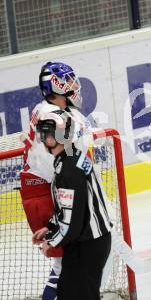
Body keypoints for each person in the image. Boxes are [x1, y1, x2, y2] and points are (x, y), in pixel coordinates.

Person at [19, 61, 91, 299]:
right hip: (44, 194)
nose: (74, 85)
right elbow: (60, 169)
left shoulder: (48, 110)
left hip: (41, 192)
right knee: (66, 268)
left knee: (69, 266)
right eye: (68, 81)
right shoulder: (52, 117)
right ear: (57, 85)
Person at [32, 109, 112, 300]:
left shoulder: (67, 171)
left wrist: (50, 242)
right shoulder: (74, 156)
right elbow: (75, 207)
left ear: (52, 138)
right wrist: (50, 227)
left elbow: (71, 225)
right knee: (68, 291)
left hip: (86, 246)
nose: (42, 140)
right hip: (91, 242)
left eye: (44, 135)